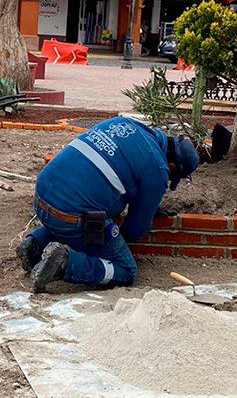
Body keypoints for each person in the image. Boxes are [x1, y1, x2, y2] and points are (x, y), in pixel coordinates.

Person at [18, 116, 202, 291]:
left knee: (72, 207)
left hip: (42, 196)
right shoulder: (158, 168)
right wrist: (116, 239)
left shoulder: (124, 123)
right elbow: (136, 229)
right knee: (126, 270)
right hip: (71, 218)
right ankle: (64, 263)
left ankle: (34, 245)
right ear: (172, 167)